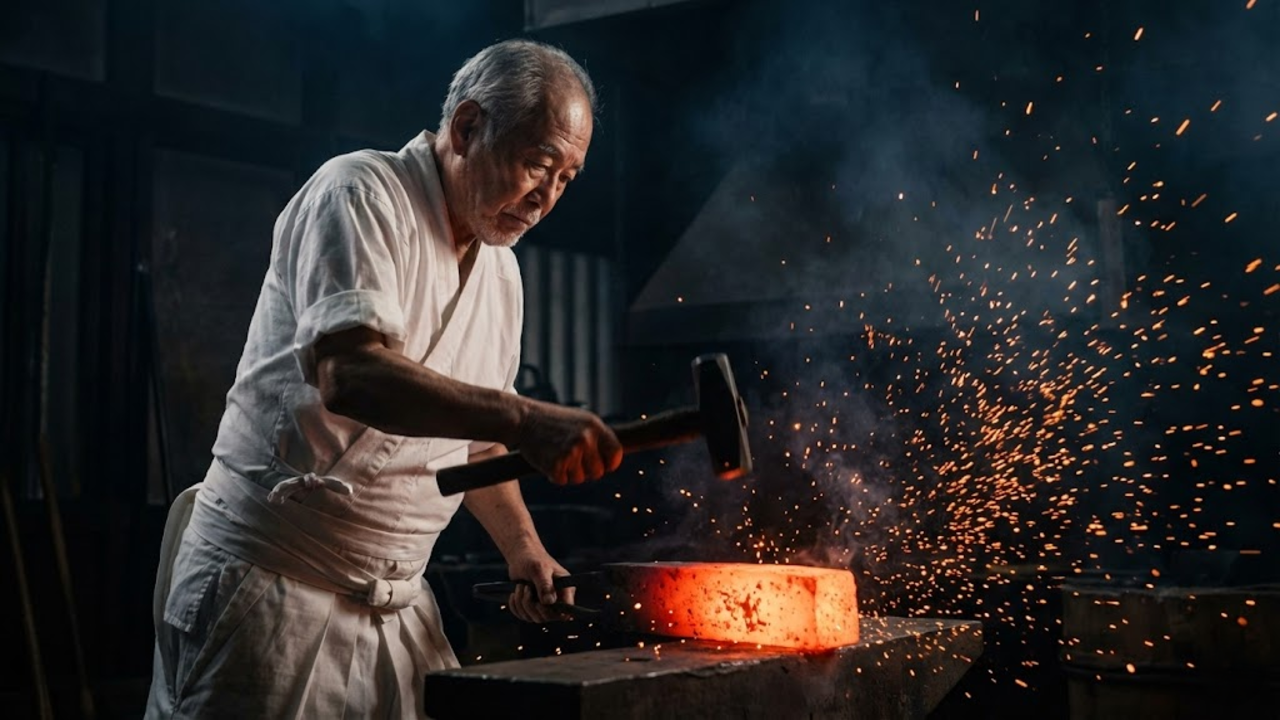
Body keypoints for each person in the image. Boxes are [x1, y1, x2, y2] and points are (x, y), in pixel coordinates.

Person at [145, 39, 622, 718]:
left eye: (567, 179)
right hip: (272, 584)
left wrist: (525, 550)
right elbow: (351, 373)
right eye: (538, 164)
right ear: (467, 127)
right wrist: (525, 418)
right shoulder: (358, 193)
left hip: (397, 602)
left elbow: (477, 445)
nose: (546, 197)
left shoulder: (501, 272)